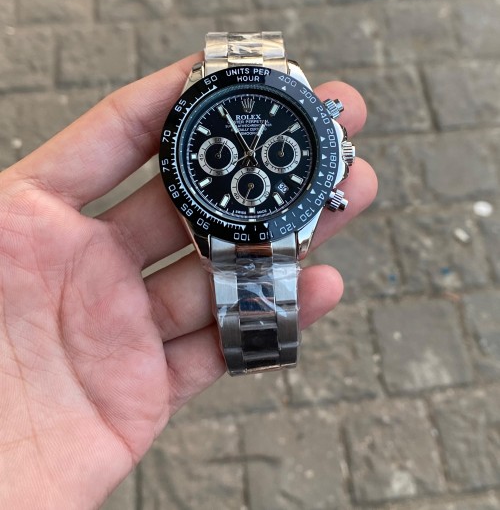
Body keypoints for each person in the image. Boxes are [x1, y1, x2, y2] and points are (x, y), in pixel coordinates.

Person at [0, 53, 377, 508]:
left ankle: (258, 348)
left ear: (335, 157)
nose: (251, 156)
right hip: (232, 223)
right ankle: (258, 349)